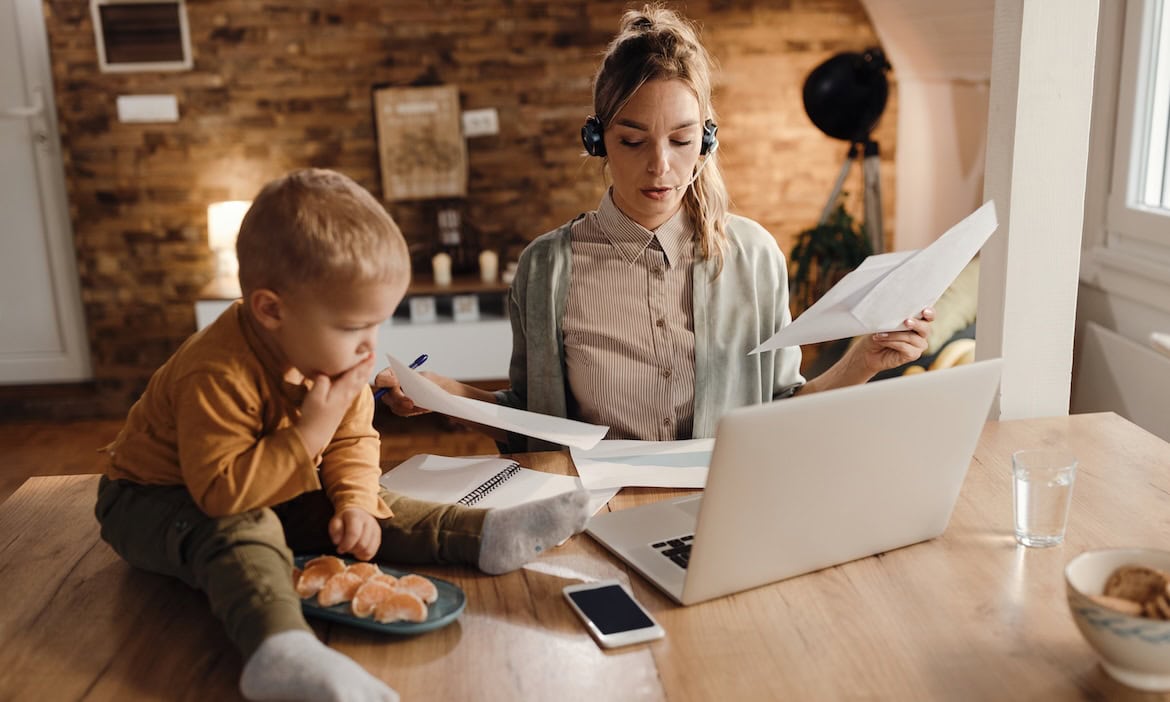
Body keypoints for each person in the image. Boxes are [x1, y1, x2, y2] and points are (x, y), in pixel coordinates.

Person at [95, 169, 589, 702]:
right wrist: (312, 430)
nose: (366, 347)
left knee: (375, 500)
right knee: (241, 532)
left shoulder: (330, 356)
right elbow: (222, 496)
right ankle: (280, 649)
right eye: (354, 328)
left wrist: (353, 502)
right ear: (271, 311)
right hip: (159, 501)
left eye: (376, 327)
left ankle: (483, 534)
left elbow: (352, 442)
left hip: (266, 479)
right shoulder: (216, 373)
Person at [376, 6, 932, 451]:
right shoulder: (545, 268)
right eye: (633, 140)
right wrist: (450, 396)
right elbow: (534, 424)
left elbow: (781, 413)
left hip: (719, 511)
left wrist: (865, 360)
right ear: (598, 141)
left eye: (683, 140)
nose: (660, 166)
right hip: (591, 514)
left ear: (707, 140)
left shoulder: (755, 256)